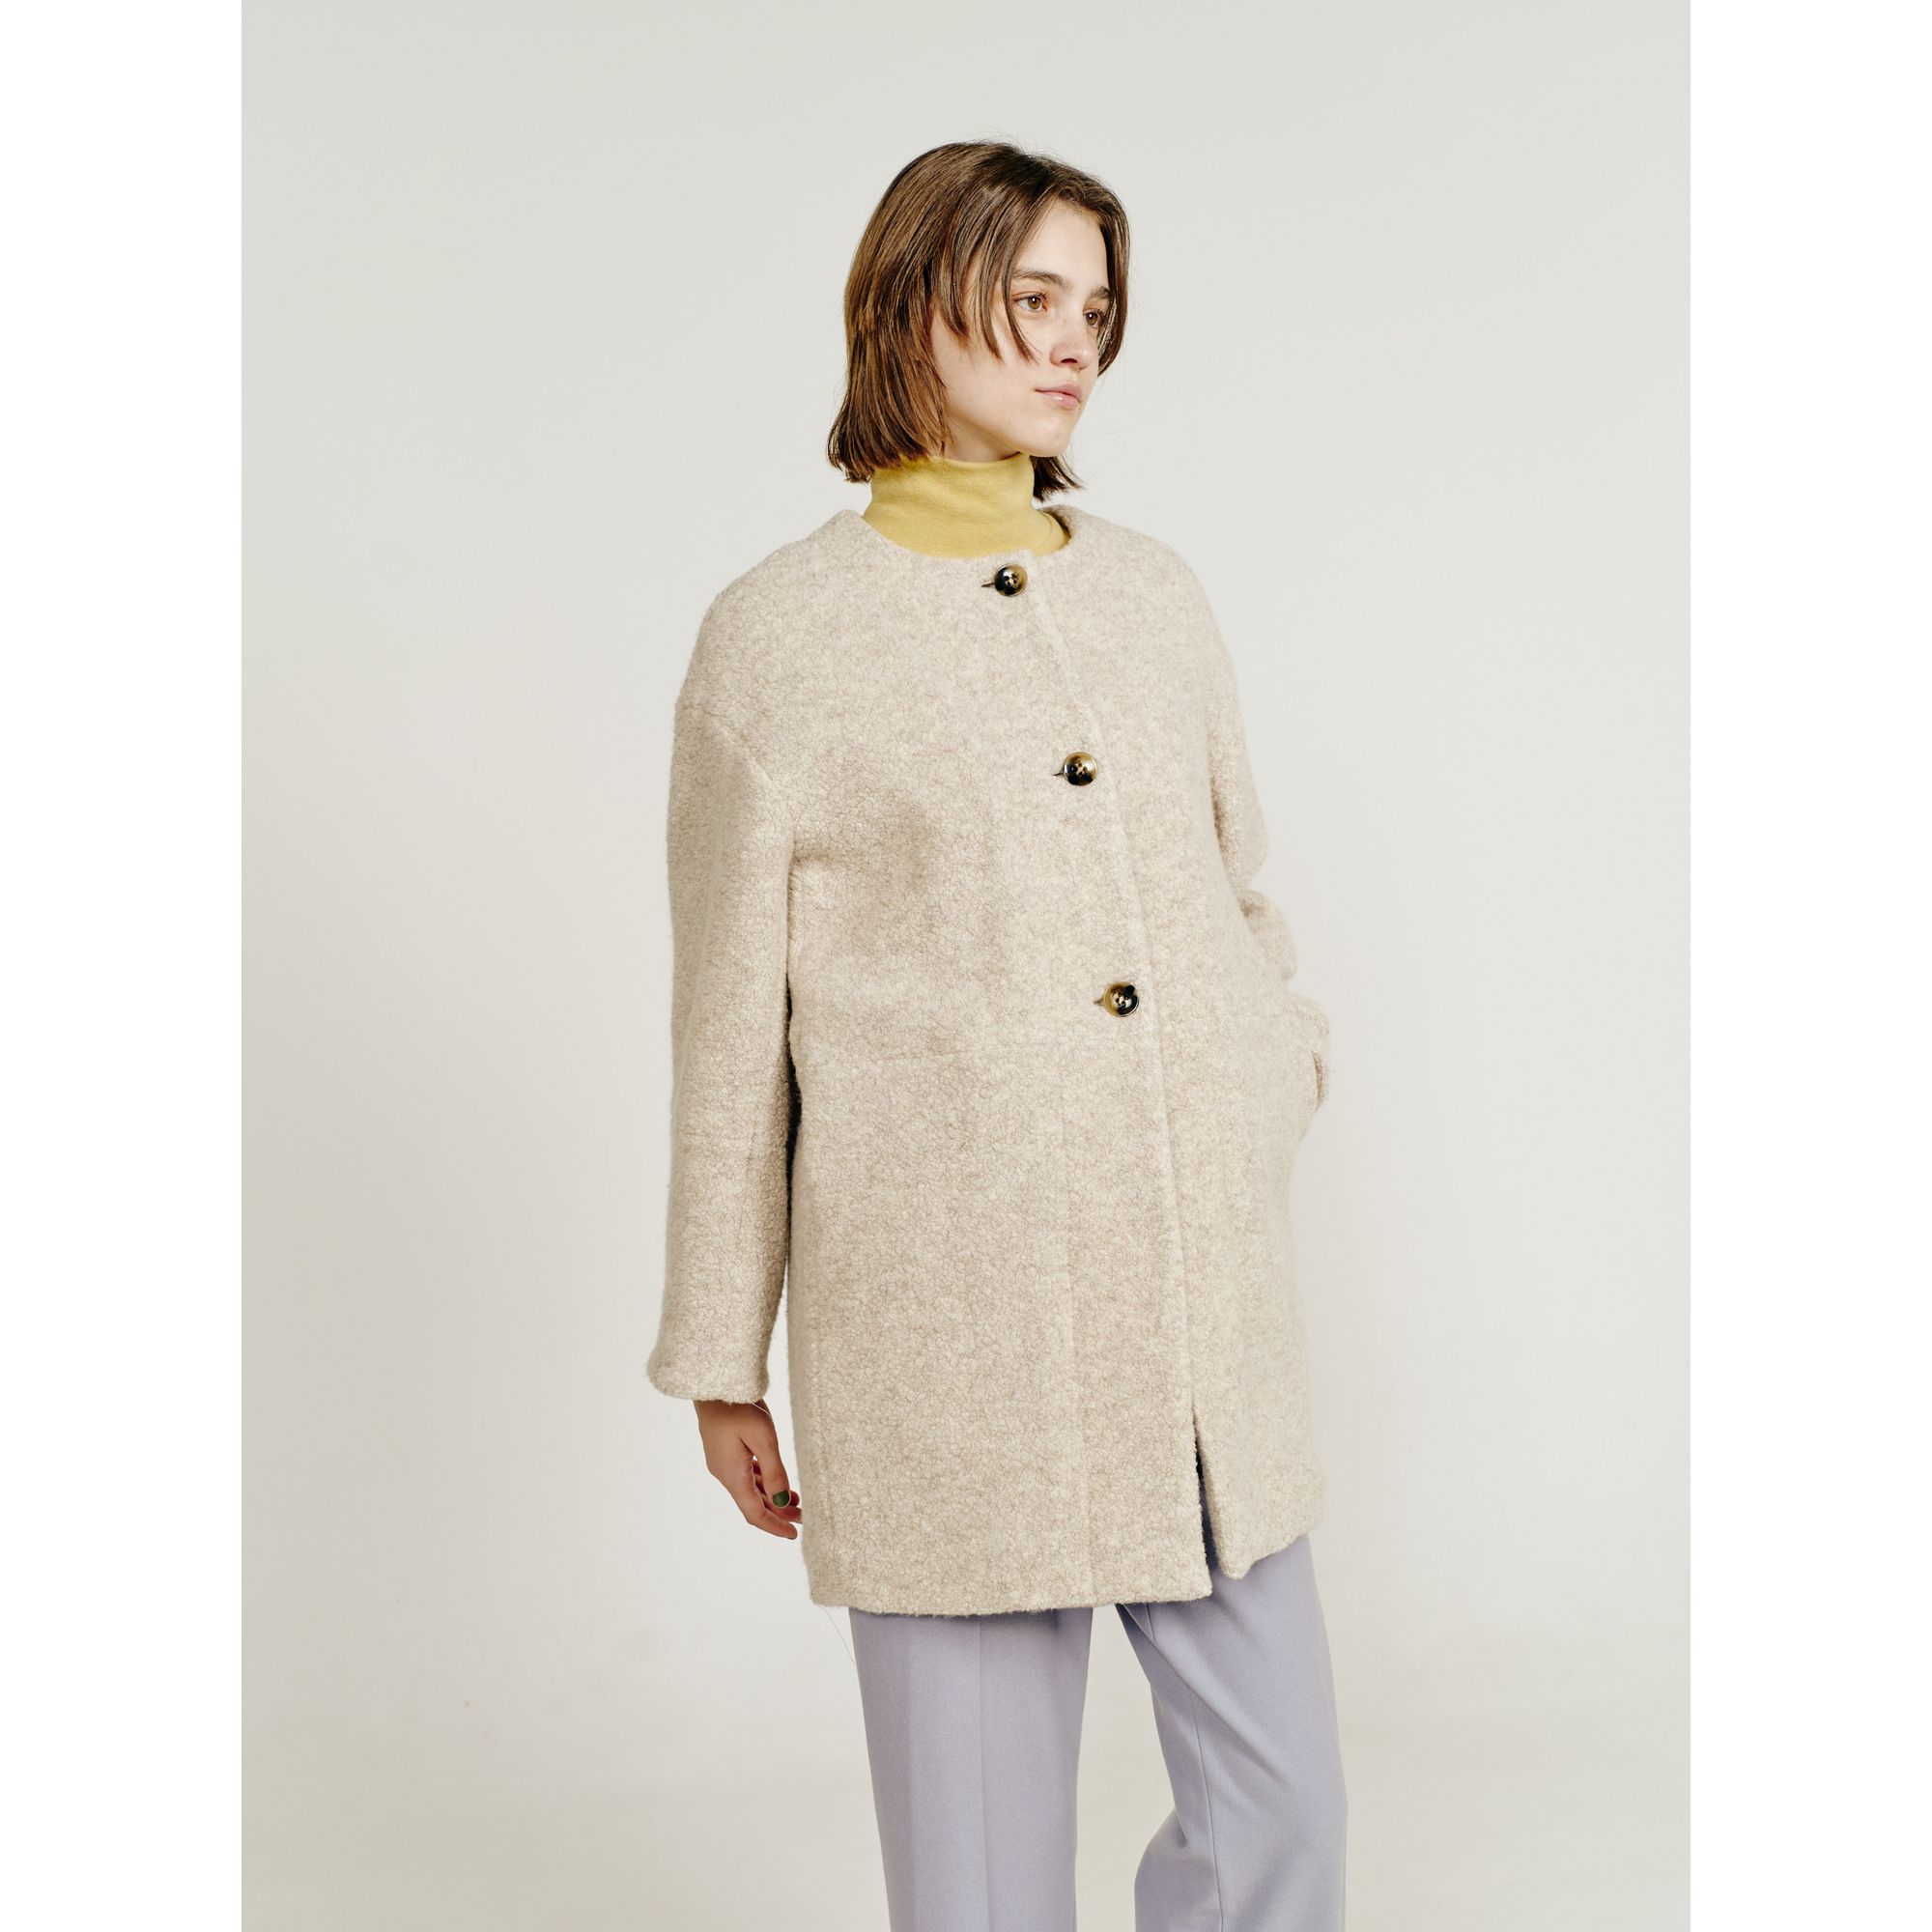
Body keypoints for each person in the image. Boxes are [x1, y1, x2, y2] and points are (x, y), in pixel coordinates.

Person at [645, 139, 1348, 1930]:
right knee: (977, 1881)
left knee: (1282, 1820)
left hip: (1197, 1310)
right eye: (1030, 297)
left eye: (1094, 308)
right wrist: (722, 1351)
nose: (1071, 343)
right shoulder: (777, 639)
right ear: (913, 300)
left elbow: (1236, 891)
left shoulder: (1154, 593)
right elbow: (728, 1027)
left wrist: (1270, 1069)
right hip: (946, 1324)